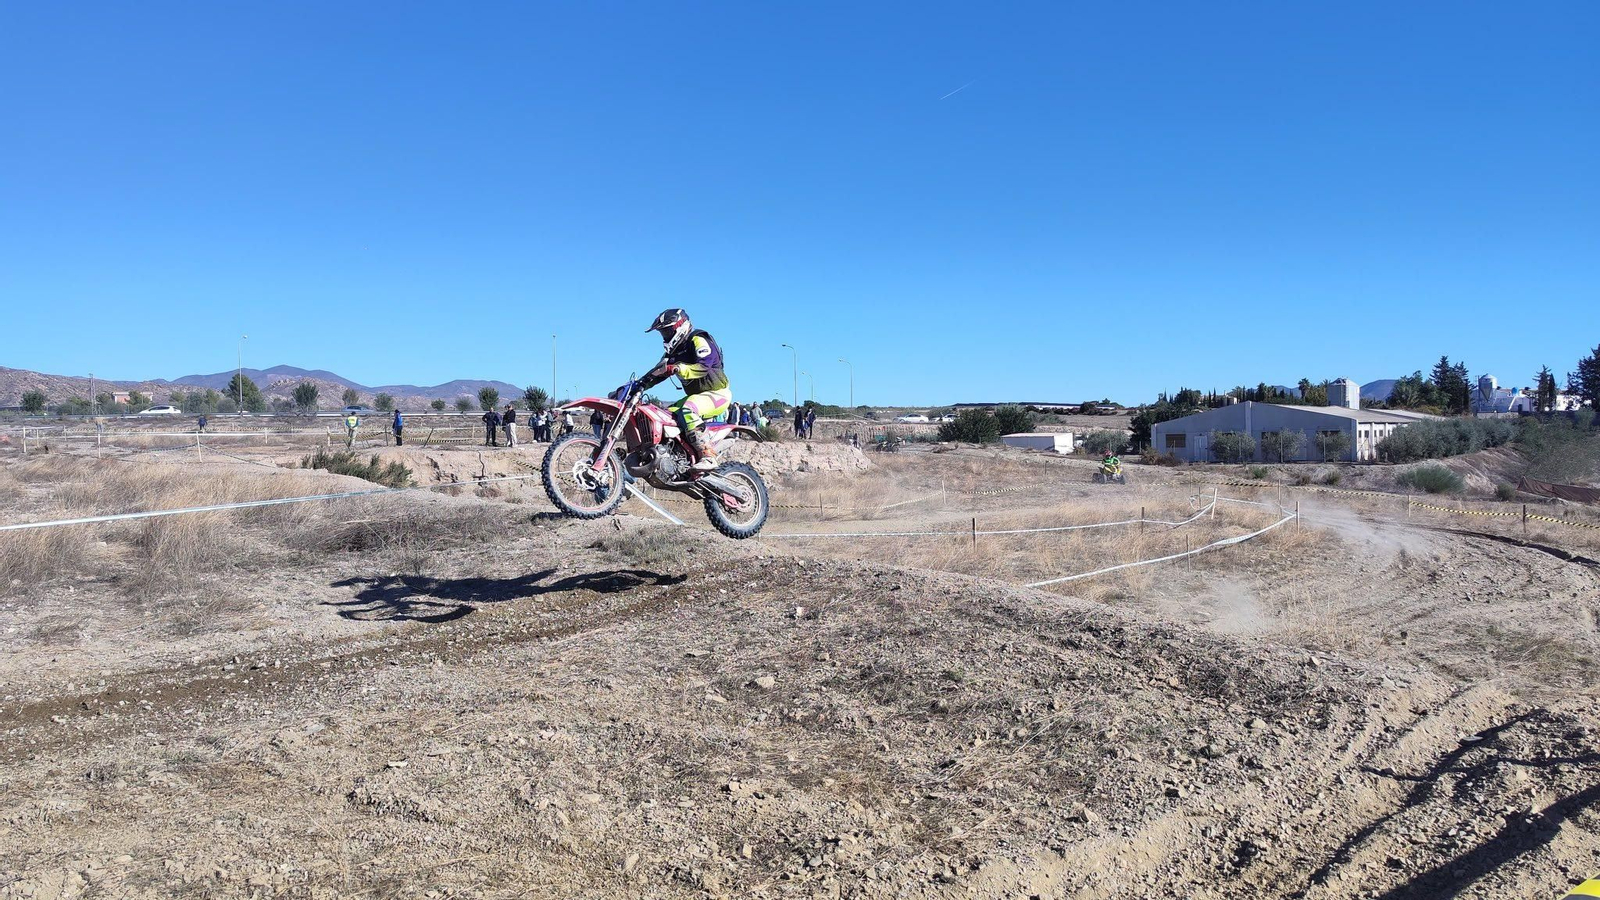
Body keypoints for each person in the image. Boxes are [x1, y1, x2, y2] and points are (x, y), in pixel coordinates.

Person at [629, 308, 731, 472]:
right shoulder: (672, 353)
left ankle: (708, 455)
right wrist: (638, 385)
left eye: (667, 330)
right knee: (665, 416)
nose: (665, 335)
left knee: (688, 410)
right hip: (697, 396)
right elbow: (657, 373)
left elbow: (705, 366)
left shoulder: (698, 339)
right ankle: (678, 456)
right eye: (663, 332)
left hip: (716, 393)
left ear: (680, 326)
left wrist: (679, 368)